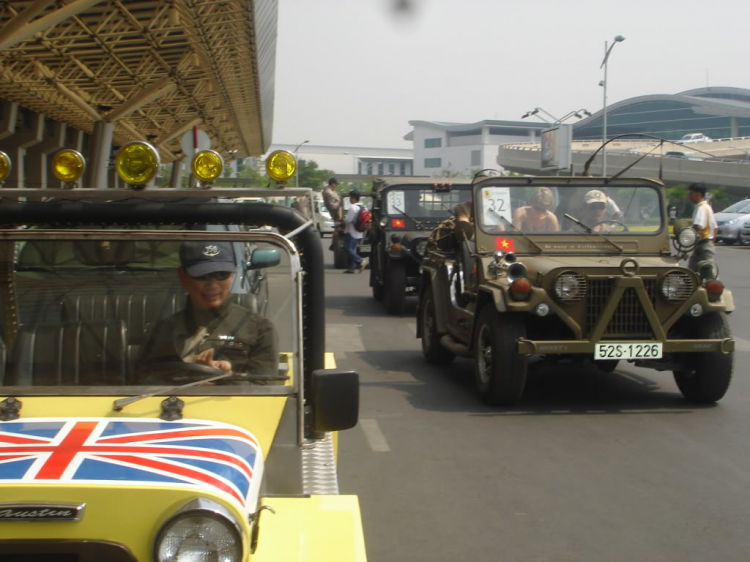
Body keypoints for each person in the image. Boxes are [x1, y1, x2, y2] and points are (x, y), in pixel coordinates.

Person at [139, 241, 279, 381]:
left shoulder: (260, 330)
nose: (212, 285)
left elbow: (266, 388)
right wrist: (189, 378)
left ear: (232, 275)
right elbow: (142, 384)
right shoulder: (163, 331)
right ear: (183, 276)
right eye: (202, 276)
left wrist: (228, 378)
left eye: (221, 275)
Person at [687, 182, 718, 273]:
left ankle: (715, 286)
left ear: (698, 194)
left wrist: (686, 233)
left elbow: (698, 226)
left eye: (691, 194)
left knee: (708, 271)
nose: (690, 196)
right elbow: (715, 228)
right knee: (694, 270)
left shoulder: (701, 208)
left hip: (703, 245)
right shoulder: (707, 207)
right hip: (705, 244)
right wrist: (712, 242)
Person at [343, 190, 365, 273]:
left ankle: (360, 261)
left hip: (351, 232)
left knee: (347, 249)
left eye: (350, 197)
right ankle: (351, 268)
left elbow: (348, 220)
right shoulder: (363, 207)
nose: (349, 199)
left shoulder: (353, 207)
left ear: (353, 198)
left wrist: (343, 219)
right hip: (359, 232)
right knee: (353, 249)